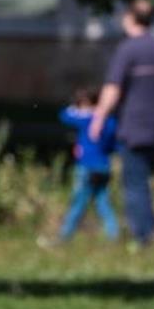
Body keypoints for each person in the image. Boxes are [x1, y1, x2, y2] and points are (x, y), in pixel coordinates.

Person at [89, 0, 154, 248]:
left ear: (130, 18)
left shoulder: (128, 50)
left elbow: (113, 88)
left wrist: (98, 117)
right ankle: (147, 229)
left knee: (135, 182)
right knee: (146, 178)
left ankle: (142, 236)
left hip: (135, 124)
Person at [52, 87, 119, 244]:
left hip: (87, 167)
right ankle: (113, 235)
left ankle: (64, 237)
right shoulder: (110, 122)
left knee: (78, 202)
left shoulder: (87, 119)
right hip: (104, 166)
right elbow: (114, 146)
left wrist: (80, 109)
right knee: (103, 202)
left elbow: (65, 115)